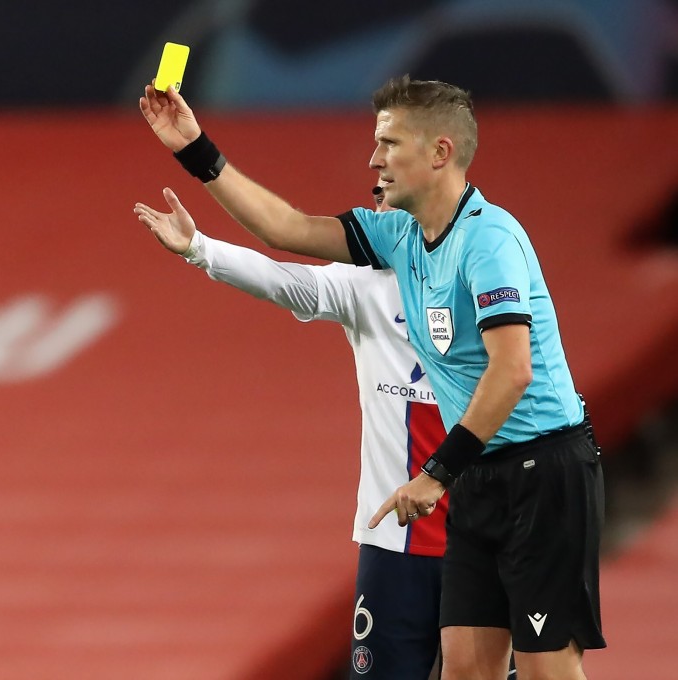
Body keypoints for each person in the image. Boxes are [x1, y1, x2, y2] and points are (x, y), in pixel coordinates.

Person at [135, 76, 604, 680]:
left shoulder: (490, 242)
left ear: (440, 152)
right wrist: (194, 148)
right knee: (468, 671)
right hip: (481, 479)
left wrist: (436, 474)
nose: (373, 158)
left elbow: (512, 371)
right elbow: (288, 228)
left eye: (389, 143)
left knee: (547, 674)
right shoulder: (401, 235)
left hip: (544, 472)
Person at [139, 180, 450, 678]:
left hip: (480, 539)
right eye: (375, 191)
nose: (377, 196)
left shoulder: (486, 273)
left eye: (390, 185)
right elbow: (281, 279)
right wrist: (200, 249)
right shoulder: (363, 283)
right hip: (394, 545)